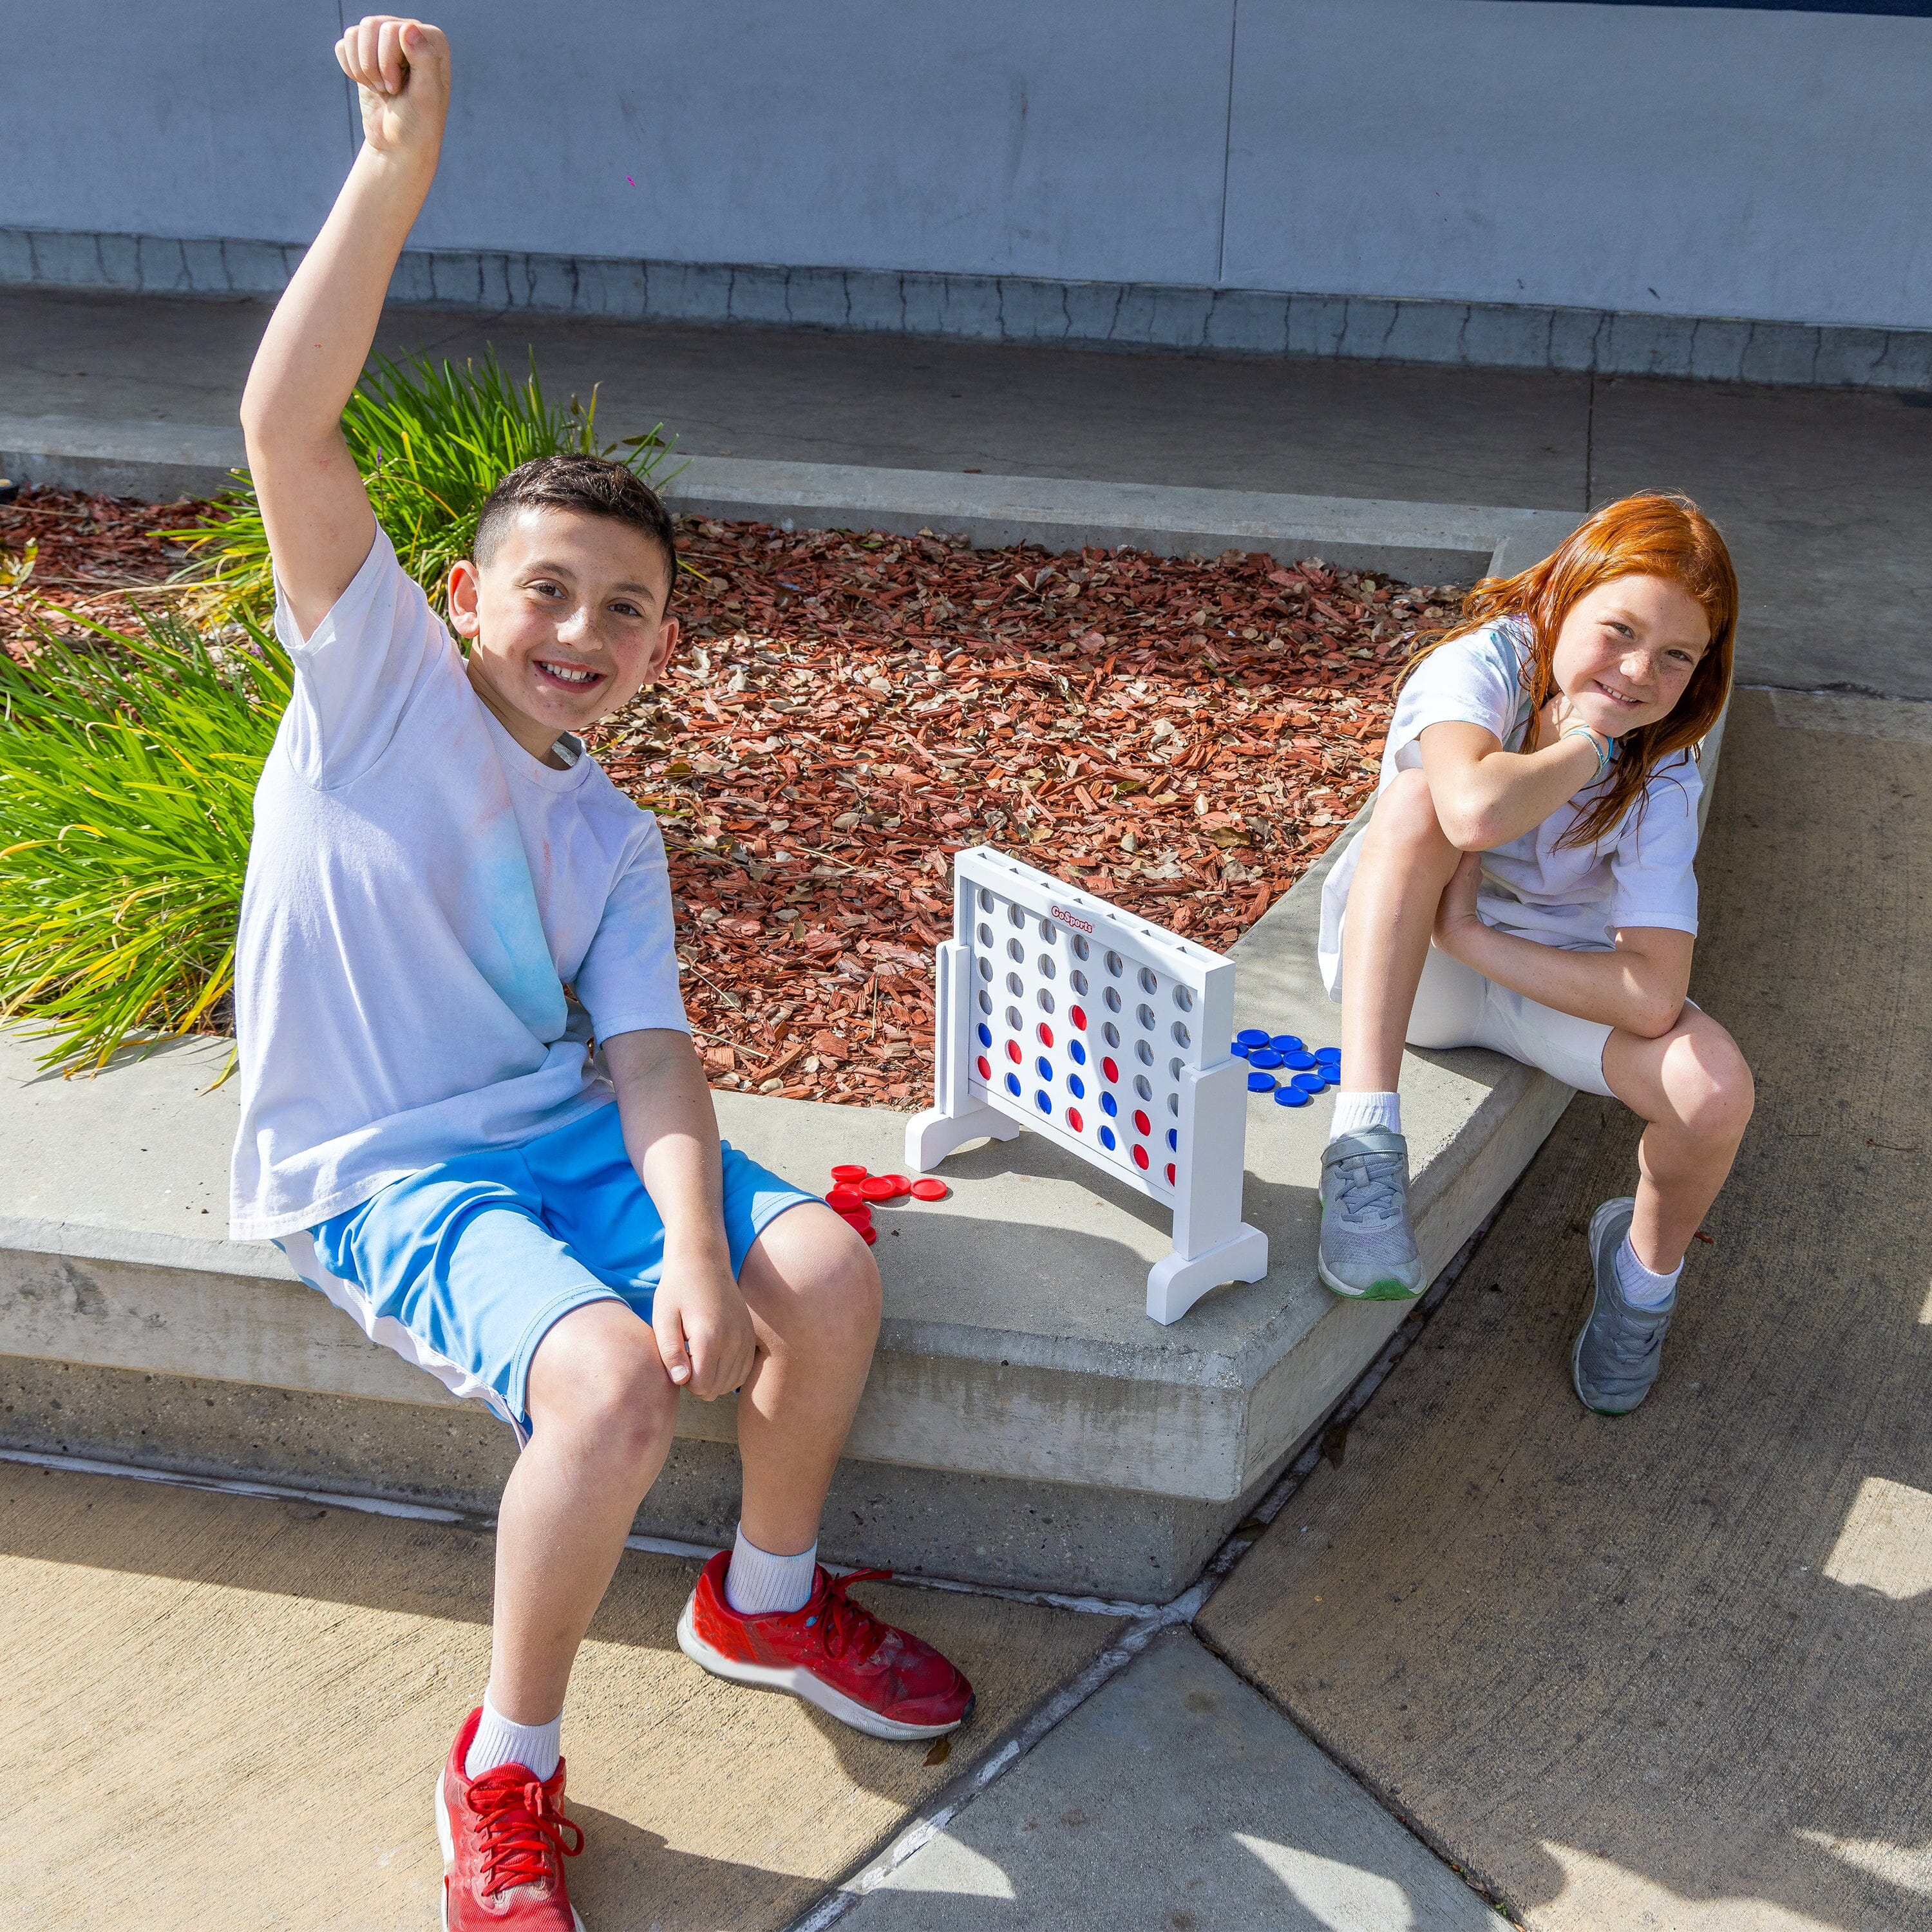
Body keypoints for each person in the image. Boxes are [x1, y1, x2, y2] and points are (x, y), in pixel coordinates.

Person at [227, 18, 971, 1927]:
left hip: (559, 1136)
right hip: (392, 1166)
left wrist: (710, 1252)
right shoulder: (380, 689)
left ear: (658, 648)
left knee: (825, 1266)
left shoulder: (608, 833)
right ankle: (512, 1763)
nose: (581, 626)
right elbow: (286, 428)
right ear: (467, 599)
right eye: (546, 589)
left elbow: (648, 1055)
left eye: (626, 607)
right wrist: (392, 172)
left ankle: (769, 1602)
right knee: (618, 1400)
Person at [1313, 493, 1753, 1414]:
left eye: (1678, 656)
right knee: (1418, 802)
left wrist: (1473, 934)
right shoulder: (1481, 667)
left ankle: (1640, 1284)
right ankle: (1363, 1145)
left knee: (1713, 1092)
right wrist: (1587, 752)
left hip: (1521, 972)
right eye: (1619, 630)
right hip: (1406, 968)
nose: (1638, 673)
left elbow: (1649, 997)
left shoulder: (1669, 762)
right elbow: (1472, 810)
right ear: (1560, 596)